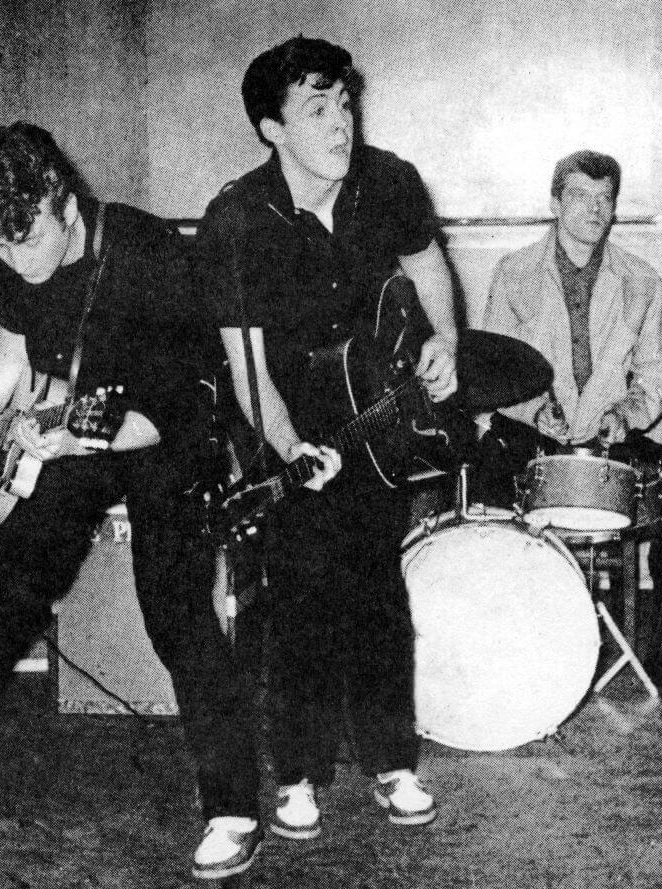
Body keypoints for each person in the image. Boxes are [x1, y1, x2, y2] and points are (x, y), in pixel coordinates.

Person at [0, 123, 262, 880]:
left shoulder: (150, 256)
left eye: (25, 240)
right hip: (76, 415)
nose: (14, 262)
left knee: (176, 607)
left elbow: (172, 403)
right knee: (15, 578)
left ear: (65, 203)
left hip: (164, 424)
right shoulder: (4, 237)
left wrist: (77, 441)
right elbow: (17, 322)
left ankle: (232, 804)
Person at [195, 36, 458, 841]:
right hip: (290, 424)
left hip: (378, 411)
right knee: (301, 604)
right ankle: (301, 774)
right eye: (317, 109)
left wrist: (445, 336)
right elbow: (247, 369)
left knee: (379, 590)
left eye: (344, 103)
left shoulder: (390, 181)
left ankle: (391, 762)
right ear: (272, 128)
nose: (341, 123)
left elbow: (427, 262)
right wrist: (290, 451)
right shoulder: (236, 218)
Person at [478, 149, 662, 696]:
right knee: (479, 488)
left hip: (609, 440)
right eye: (580, 196)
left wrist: (625, 416)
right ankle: (500, 647)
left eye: (605, 199)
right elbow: (493, 369)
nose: (594, 209)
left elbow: (658, 374)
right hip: (530, 433)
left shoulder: (641, 280)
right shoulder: (513, 273)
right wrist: (535, 410)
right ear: (555, 202)